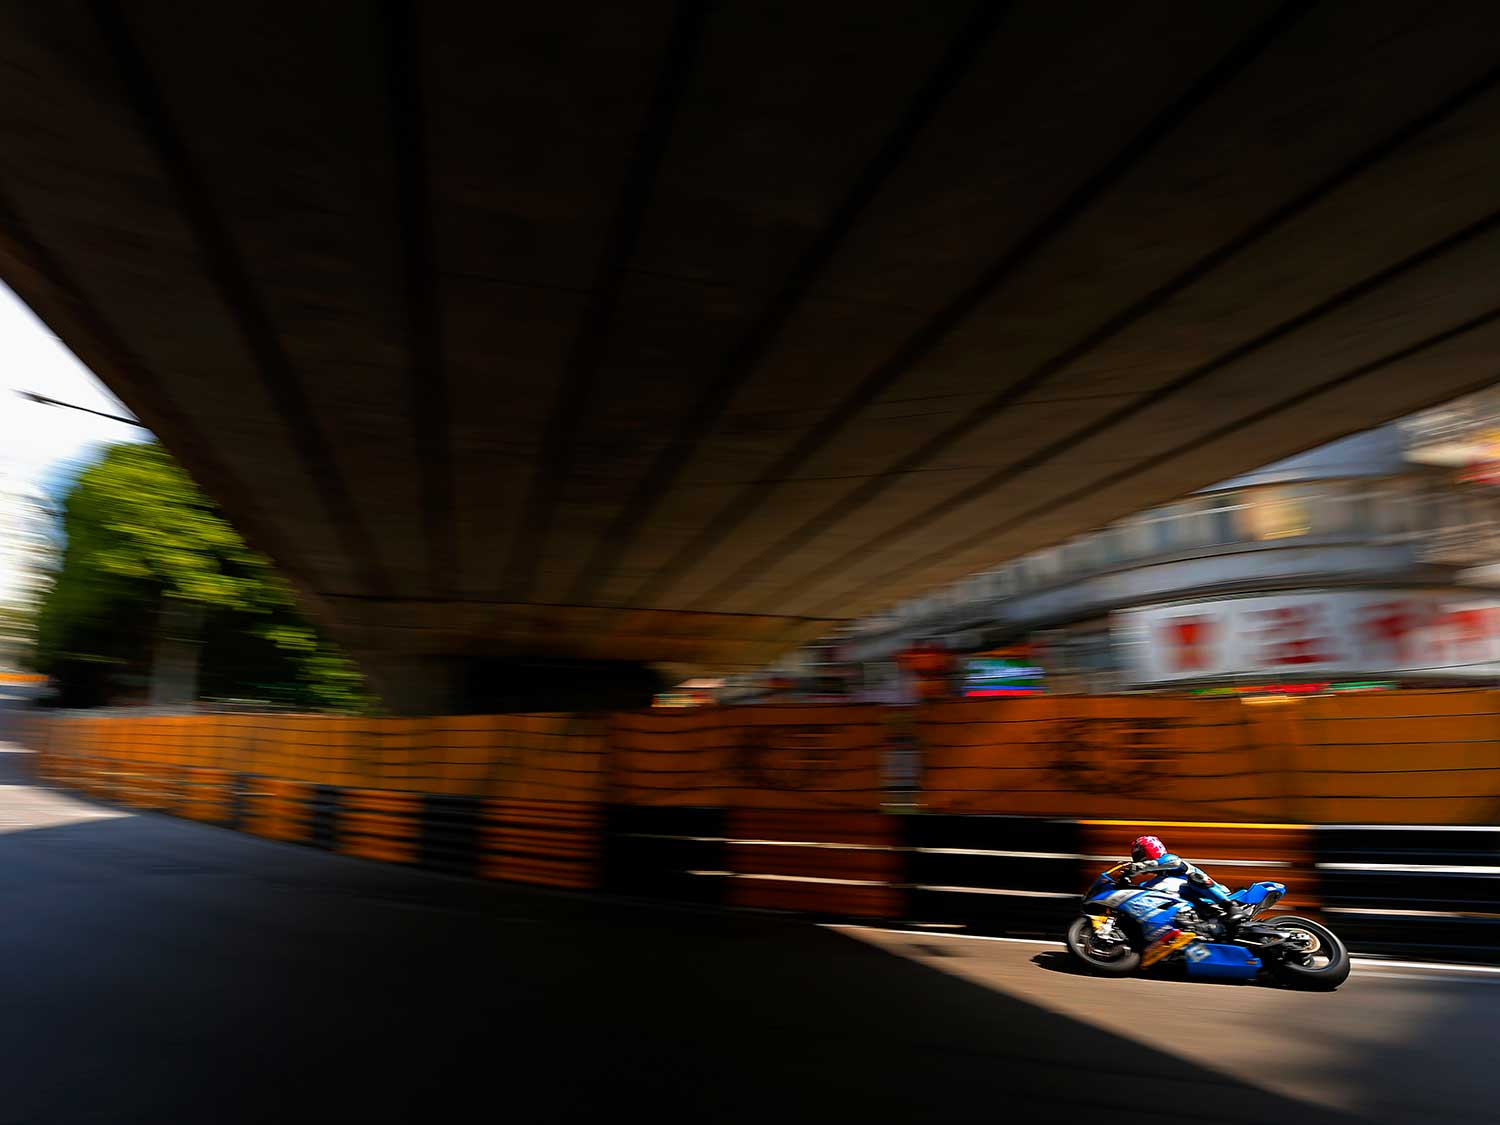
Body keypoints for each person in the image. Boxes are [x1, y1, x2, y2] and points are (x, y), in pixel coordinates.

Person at [1118, 834, 1249, 965]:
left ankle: (1231, 907)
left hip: (1214, 899)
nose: (1136, 859)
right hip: (1190, 913)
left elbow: (1173, 862)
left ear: (1150, 849)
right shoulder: (1152, 883)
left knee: (1194, 878)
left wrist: (1138, 867)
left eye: (1138, 854)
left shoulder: (1170, 861)